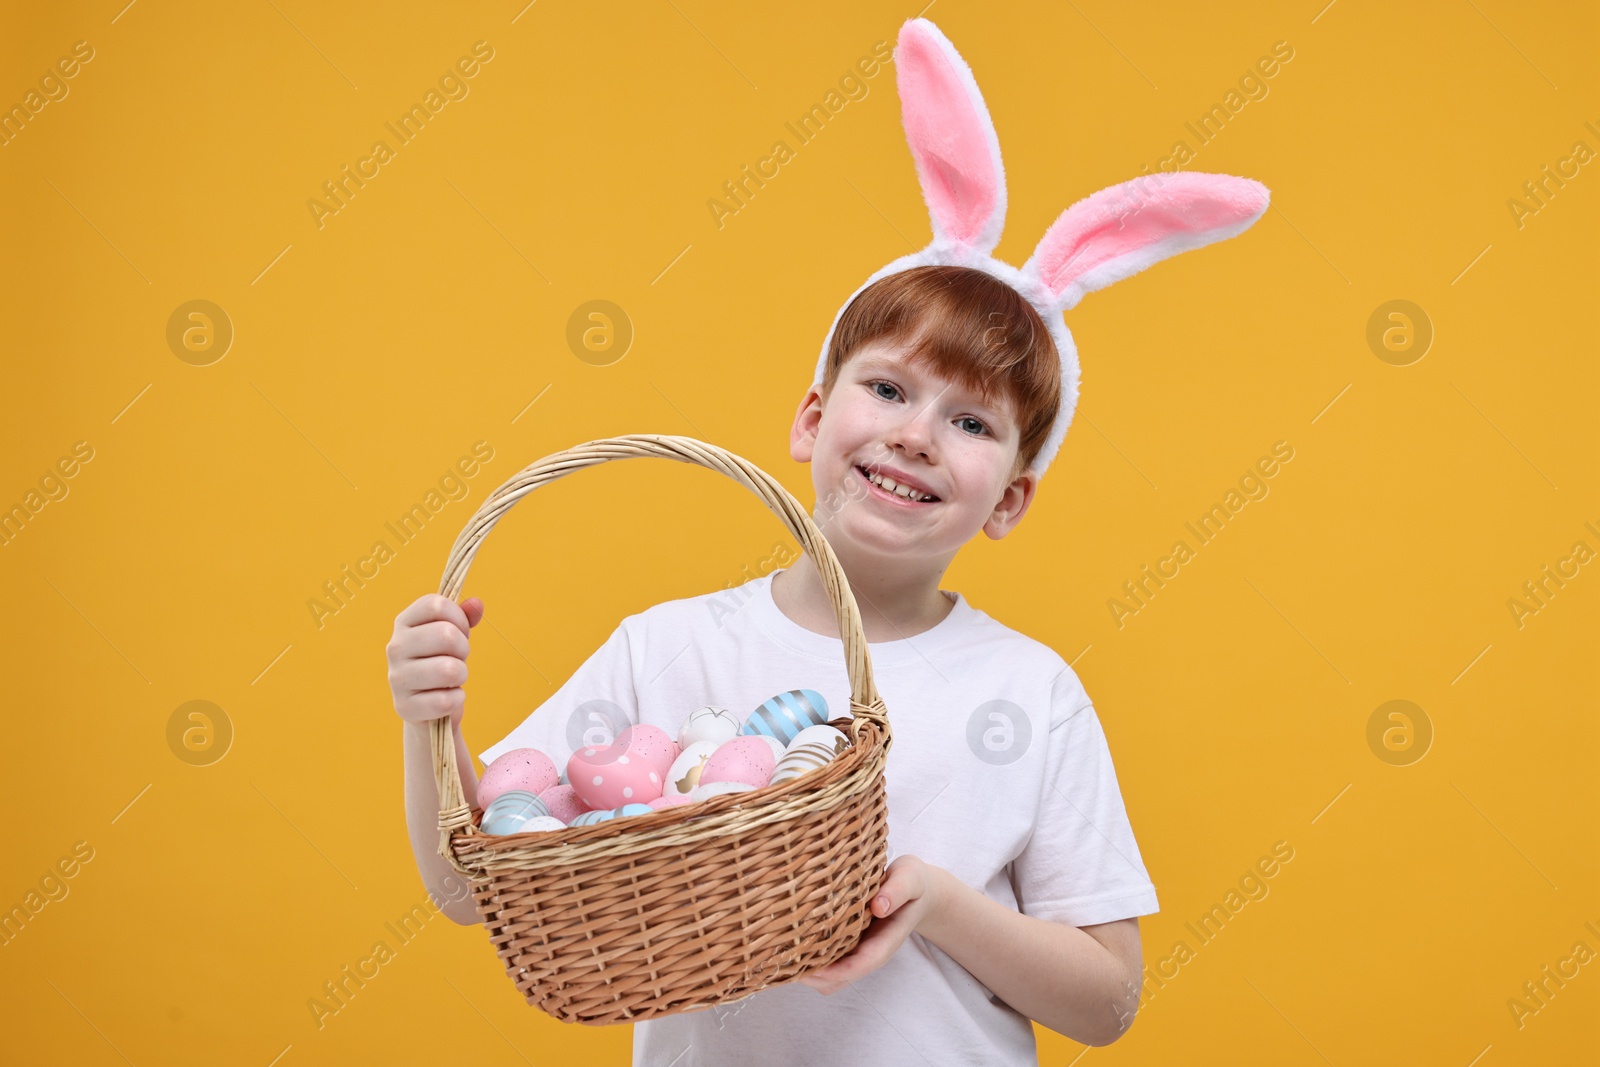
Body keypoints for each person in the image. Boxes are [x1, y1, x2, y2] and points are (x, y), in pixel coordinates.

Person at [387, 17, 1268, 1065]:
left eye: (971, 422)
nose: (914, 432)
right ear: (812, 418)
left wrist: (933, 900)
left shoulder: (1030, 691)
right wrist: (427, 720)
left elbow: (1106, 1000)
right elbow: (468, 888)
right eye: (889, 387)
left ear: (1009, 499)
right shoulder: (668, 647)